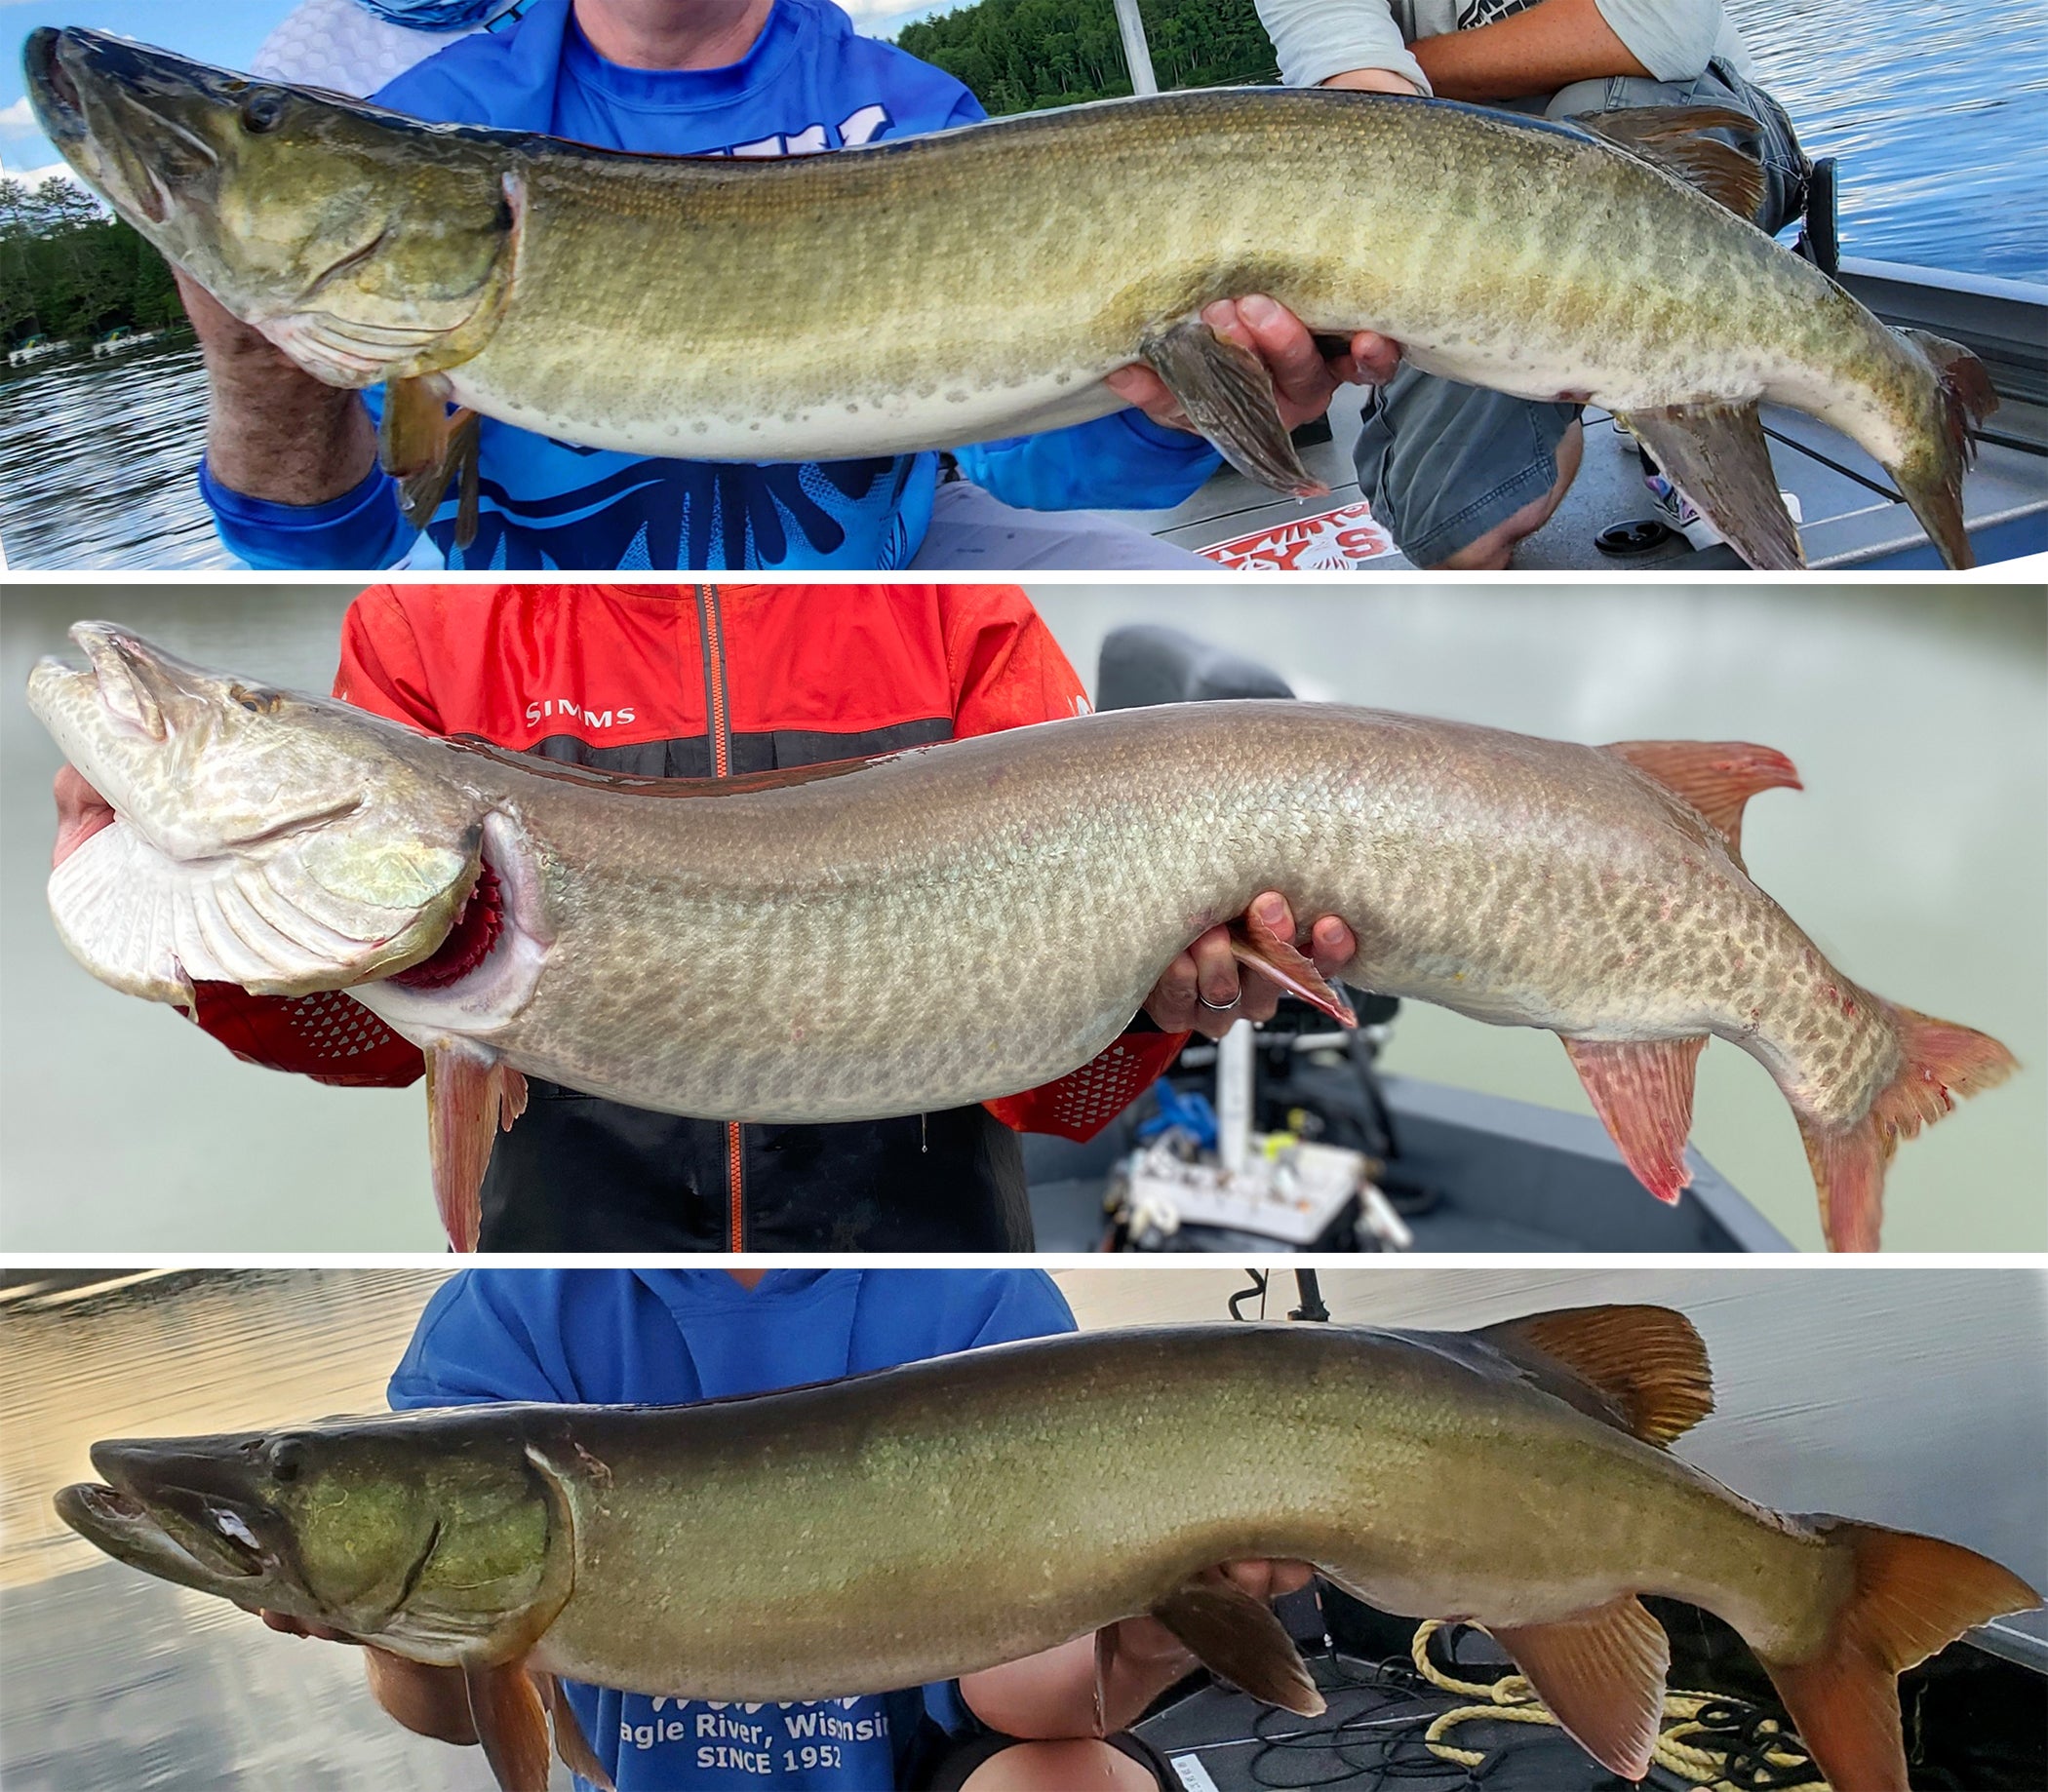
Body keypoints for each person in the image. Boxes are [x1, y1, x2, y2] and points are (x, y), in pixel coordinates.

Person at [51, 584, 1359, 1252]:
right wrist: (204, 939)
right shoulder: (424, 627)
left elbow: (1053, 1092)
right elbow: (381, 1026)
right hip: (581, 1290)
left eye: (248, 711)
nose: (227, 713)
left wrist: (1156, 1002)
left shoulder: (962, 606)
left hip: (937, 1281)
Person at [184, 0, 1398, 573]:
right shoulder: (433, 126)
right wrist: (256, 380)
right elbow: (327, 554)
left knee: (1205, 623)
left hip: (886, 585)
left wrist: (1183, 407)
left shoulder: (910, 113)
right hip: (549, 643)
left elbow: (1035, 463)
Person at [256, 1266, 1316, 1791]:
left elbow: (1018, 1696)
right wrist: (394, 1614)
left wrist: (1165, 1624)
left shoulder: (978, 1292)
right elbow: (437, 1709)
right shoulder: (505, 1316)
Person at [1255, 0, 1813, 568]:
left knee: (1598, 106)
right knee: (1455, 534)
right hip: (1482, 215)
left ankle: (1676, 419)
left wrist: (1409, 66)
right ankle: (1605, 392)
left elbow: (1661, 33)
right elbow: (1366, 102)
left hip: (1695, 135)